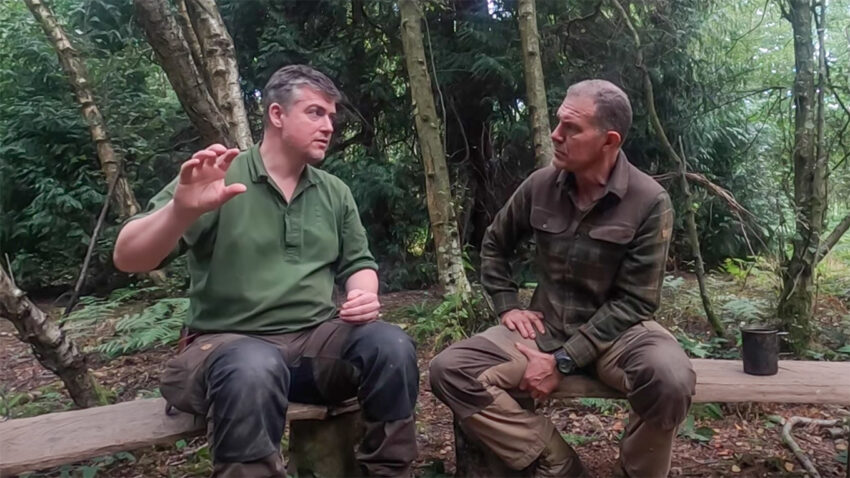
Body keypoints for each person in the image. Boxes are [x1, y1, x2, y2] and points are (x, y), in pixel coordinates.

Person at [113, 65, 419, 478]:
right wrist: (181, 211)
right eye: (315, 113)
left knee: (390, 346)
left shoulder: (333, 191)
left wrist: (364, 293)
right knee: (255, 365)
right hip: (226, 347)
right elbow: (129, 258)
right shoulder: (223, 177)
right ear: (277, 115)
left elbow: (359, 263)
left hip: (313, 346)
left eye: (332, 115)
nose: (329, 125)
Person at [429, 79, 696, 477]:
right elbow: (494, 245)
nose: (556, 135)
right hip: (545, 325)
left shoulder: (649, 200)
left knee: (670, 378)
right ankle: (557, 463)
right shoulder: (540, 185)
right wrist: (507, 305)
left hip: (618, 334)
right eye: (557, 122)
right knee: (450, 370)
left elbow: (637, 301)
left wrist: (563, 361)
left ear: (609, 140)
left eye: (571, 128)